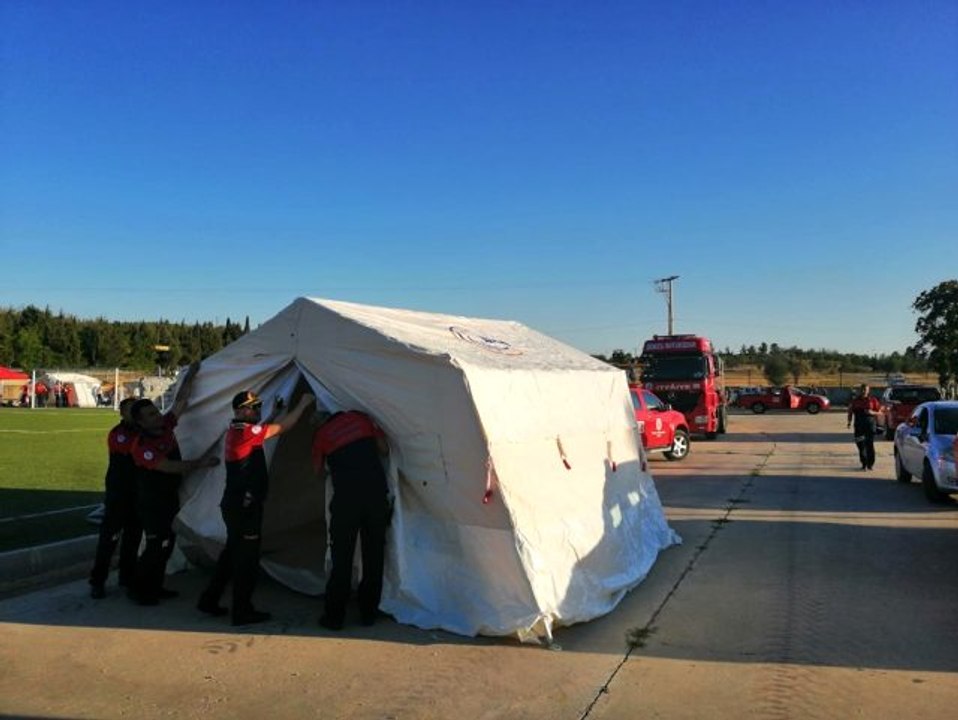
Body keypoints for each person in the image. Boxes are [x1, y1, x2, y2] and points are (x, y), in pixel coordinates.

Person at [198, 390, 315, 626]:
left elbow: (263, 427)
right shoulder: (245, 432)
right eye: (253, 407)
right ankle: (242, 611)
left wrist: (275, 412)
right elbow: (282, 428)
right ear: (240, 410)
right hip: (245, 506)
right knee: (247, 561)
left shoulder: (240, 430)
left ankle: (209, 600)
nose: (257, 411)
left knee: (231, 554)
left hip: (236, 504)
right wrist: (303, 403)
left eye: (258, 407)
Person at [129, 362, 219, 605]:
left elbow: (181, 402)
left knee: (167, 545)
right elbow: (169, 467)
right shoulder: (142, 446)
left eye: (155, 411)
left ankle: (155, 587)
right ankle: (140, 589)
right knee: (156, 545)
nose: (157, 416)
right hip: (152, 502)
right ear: (140, 423)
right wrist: (202, 463)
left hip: (168, 497)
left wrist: (190, 375)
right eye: (150, 415)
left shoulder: (165, 426)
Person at [311, 409, 391, 630]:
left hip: (346, 500)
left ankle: (334, 617)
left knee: (342, 557)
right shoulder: (363, 420)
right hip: (375, 495)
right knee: (374, 554)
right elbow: (384, 450)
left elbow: (318, 473)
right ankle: (368, 614)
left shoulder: (321, 435)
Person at [89, 397, 142, 599]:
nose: (134, 414)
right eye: (130, 410)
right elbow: (135, 452)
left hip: (138, 494)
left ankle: (126, 578)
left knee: (133, 538)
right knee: (109, 539)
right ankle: (98, 581)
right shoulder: (118, 434)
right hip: (119, 494)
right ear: (122, 413)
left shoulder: (143, 432)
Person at [847, 383, 881, 470]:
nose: (863, 391)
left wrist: (871, 412)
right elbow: (850, 411)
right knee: (860, 445)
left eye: (865, 390)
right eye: (862, 390)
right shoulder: (855, 400)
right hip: (858, 425)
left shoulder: (873, 400)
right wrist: (849, 421)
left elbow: (879, 412)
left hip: (870, 425)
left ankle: (870, 464)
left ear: (868, 390)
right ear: (859, 390)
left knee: (869, 445)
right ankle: (864, 463)